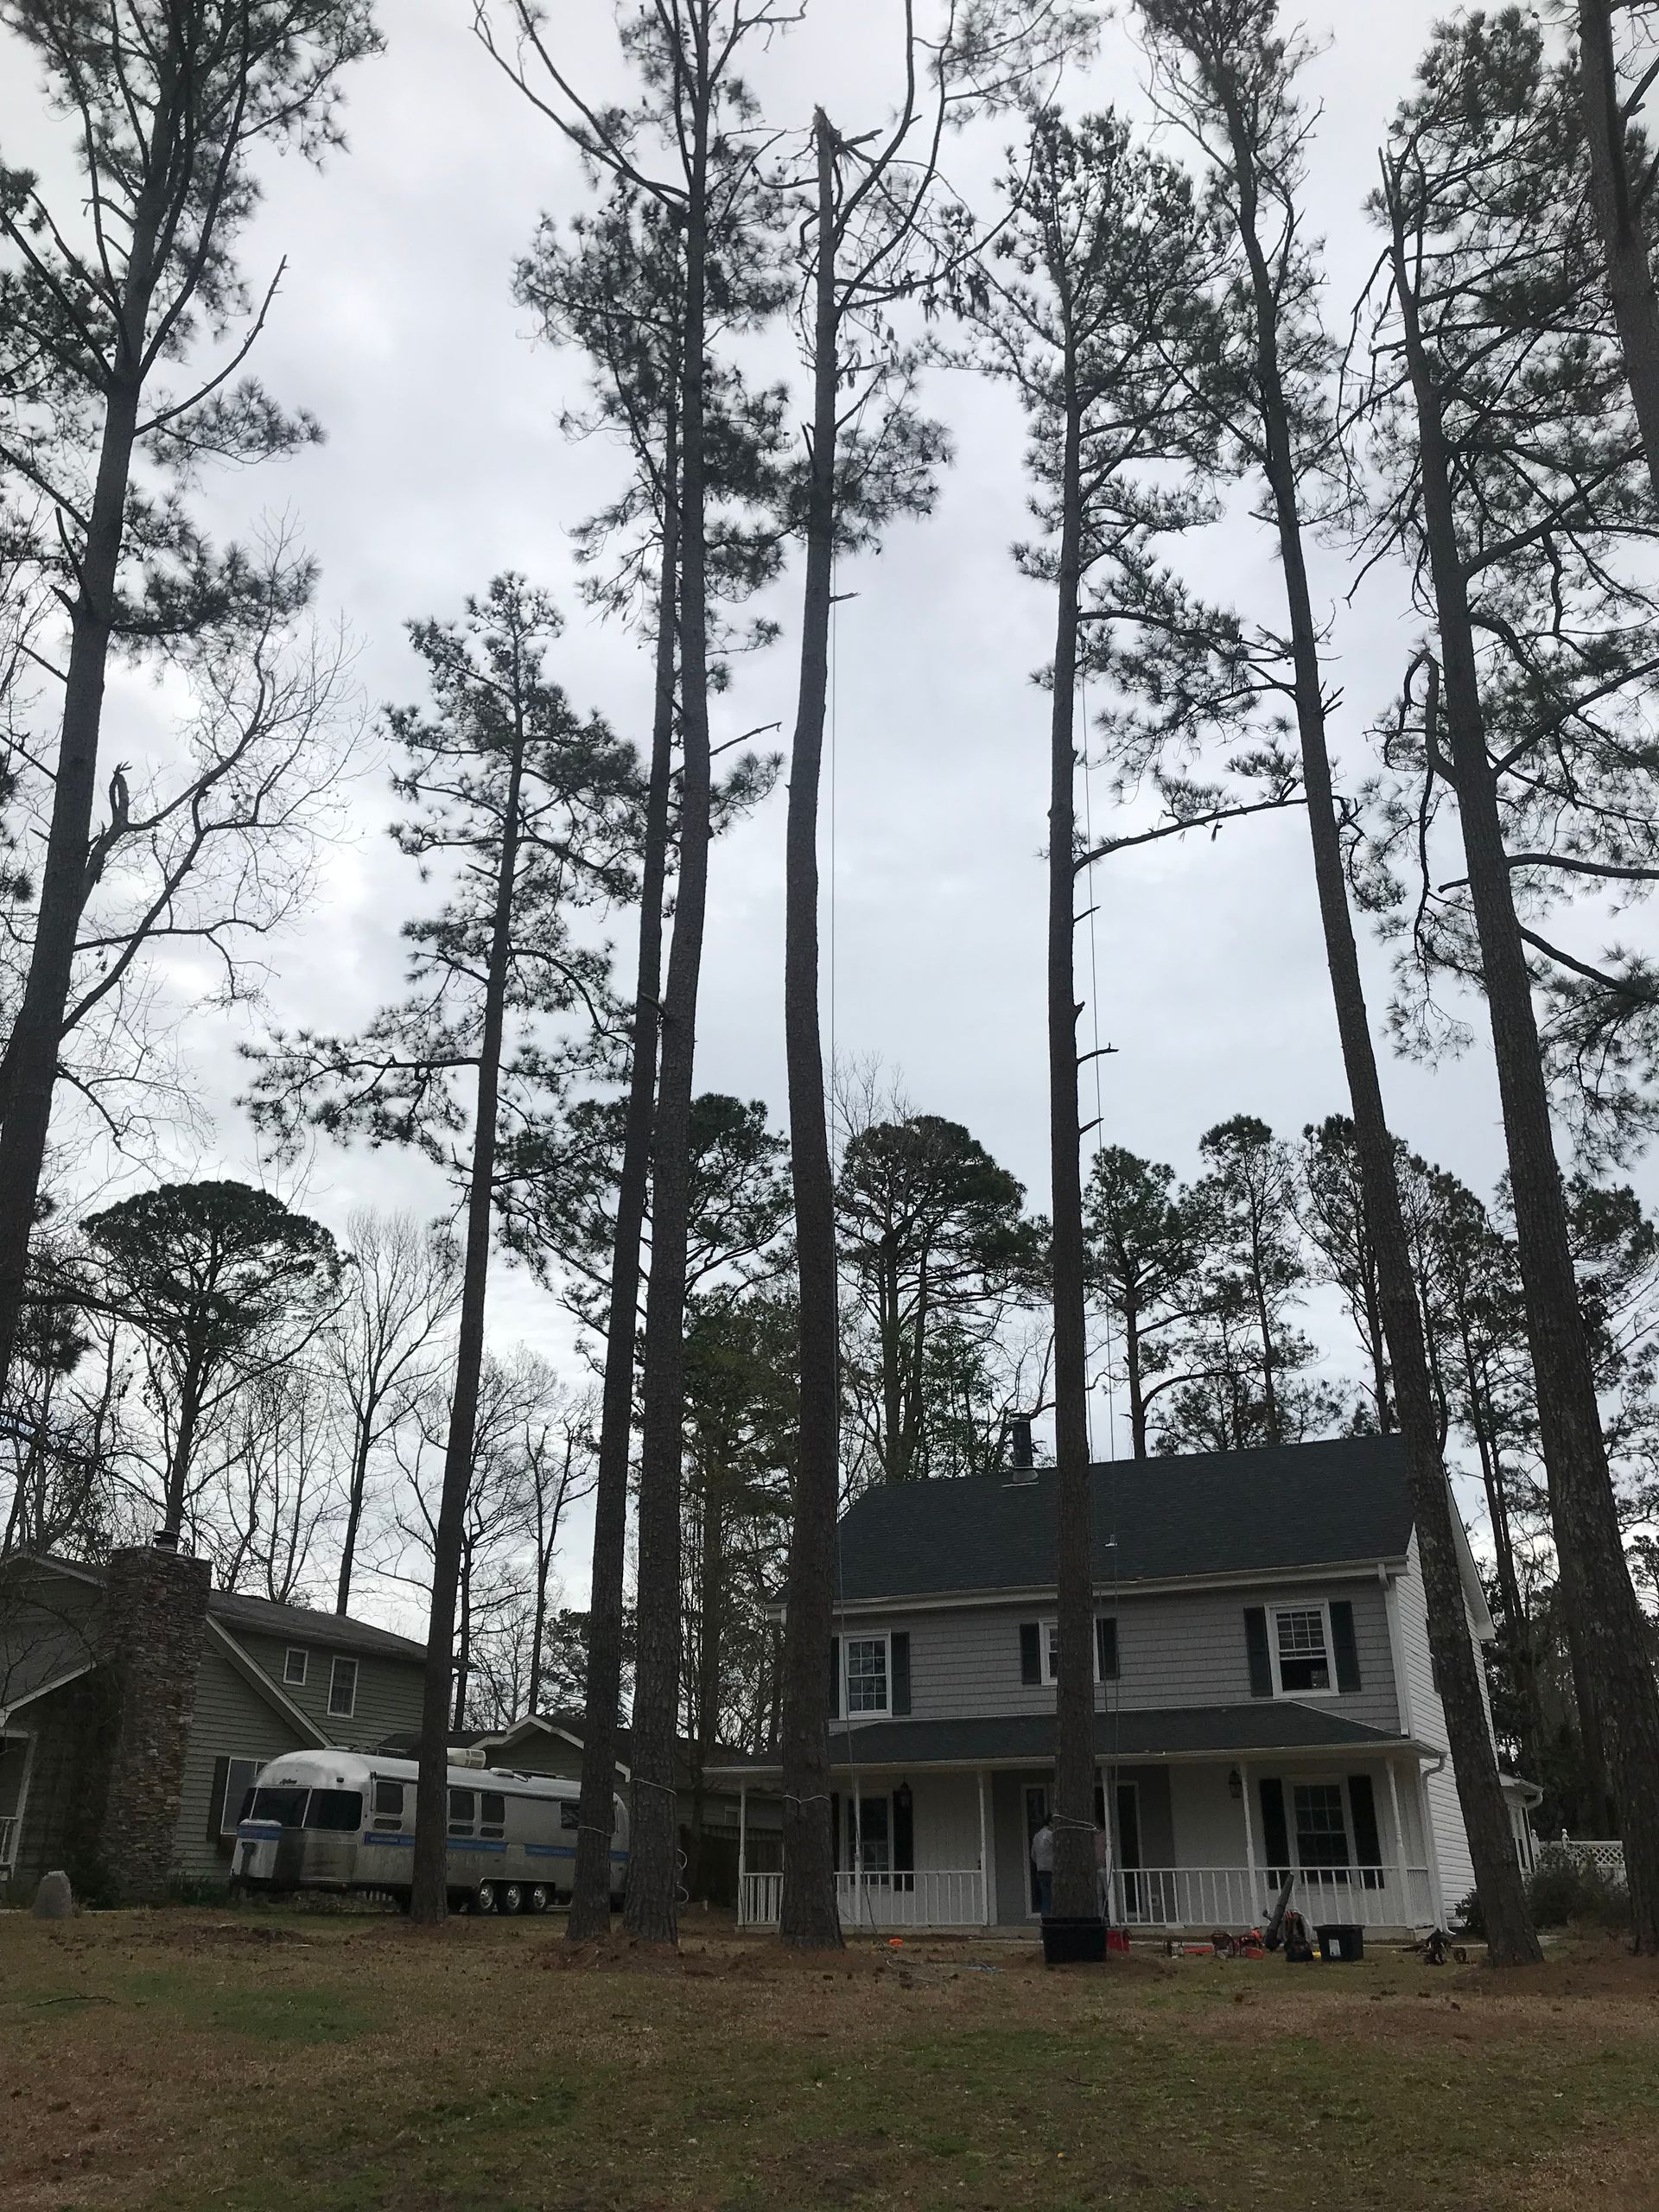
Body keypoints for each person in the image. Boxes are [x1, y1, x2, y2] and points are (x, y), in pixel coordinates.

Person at [1030, 1819, 1054, 1916]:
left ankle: (1045, 1918)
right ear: (1050, 1823)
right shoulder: (1051, 1835)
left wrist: (1040, 1863)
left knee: (1045, 1898)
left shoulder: (1036, 1836)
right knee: (1053, 1898)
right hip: (1051, 1870)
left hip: (1040, 1871)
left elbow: (1033, 1855)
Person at [1094, 1821, 1113, 1924]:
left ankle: (1110, 1915)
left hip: (1105, 1867)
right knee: (1098, 1894)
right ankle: (1100, 1916)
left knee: (1107, 1892)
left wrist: (1106, 1861)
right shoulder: (1092, 1836)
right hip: (1096, 1868)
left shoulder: (1105, 1834)